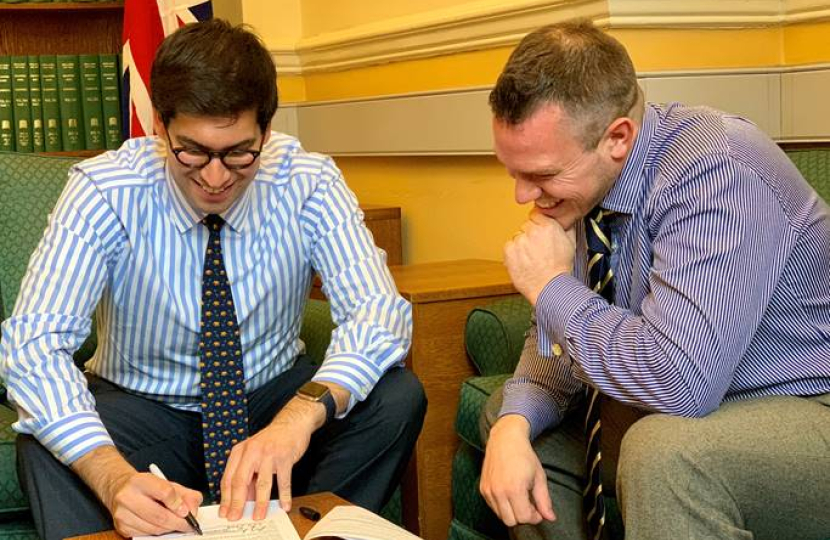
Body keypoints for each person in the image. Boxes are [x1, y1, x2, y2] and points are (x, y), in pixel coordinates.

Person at [0, 20, 426, 540]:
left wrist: (300, 415)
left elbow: (378, 313)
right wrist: (112, 479)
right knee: (44, 443)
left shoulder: (309, 180)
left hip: (270, 399)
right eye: (193, 151)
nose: (215, 177)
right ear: (160, 126)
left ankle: (309, 532)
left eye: (238, 152)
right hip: (144, 408)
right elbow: (32, 345)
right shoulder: (106, 189)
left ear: (266, 132)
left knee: (394, 396)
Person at [479, 19, 830, 540]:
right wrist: (515, 422)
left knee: (665, 456)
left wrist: (551, 286)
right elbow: (557, 345)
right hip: (705, 400)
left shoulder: (716, 169)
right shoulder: (586, 191)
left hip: (804, 406)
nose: (523, 197)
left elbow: (680, 384)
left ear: (618, 137)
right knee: (515, 421)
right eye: (514, 172)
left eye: (542, 174)